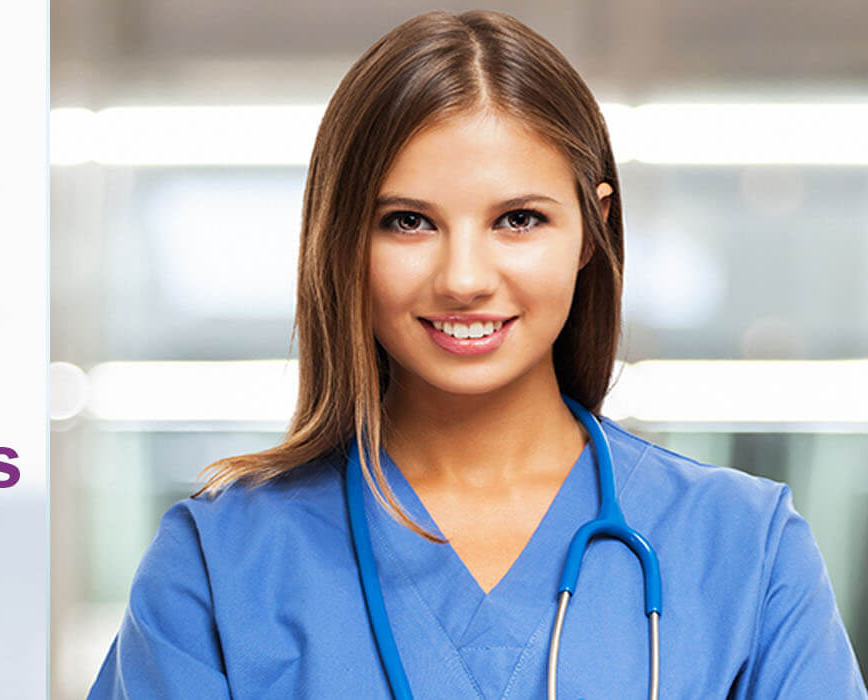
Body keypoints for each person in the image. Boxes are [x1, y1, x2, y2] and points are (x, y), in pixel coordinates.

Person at [85, 9, 866, 699]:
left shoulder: (743, 546)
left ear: (592, 231)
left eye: (519, 220)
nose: (463, 278)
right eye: (407, 221)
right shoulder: (223, 563)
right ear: (342, 239)